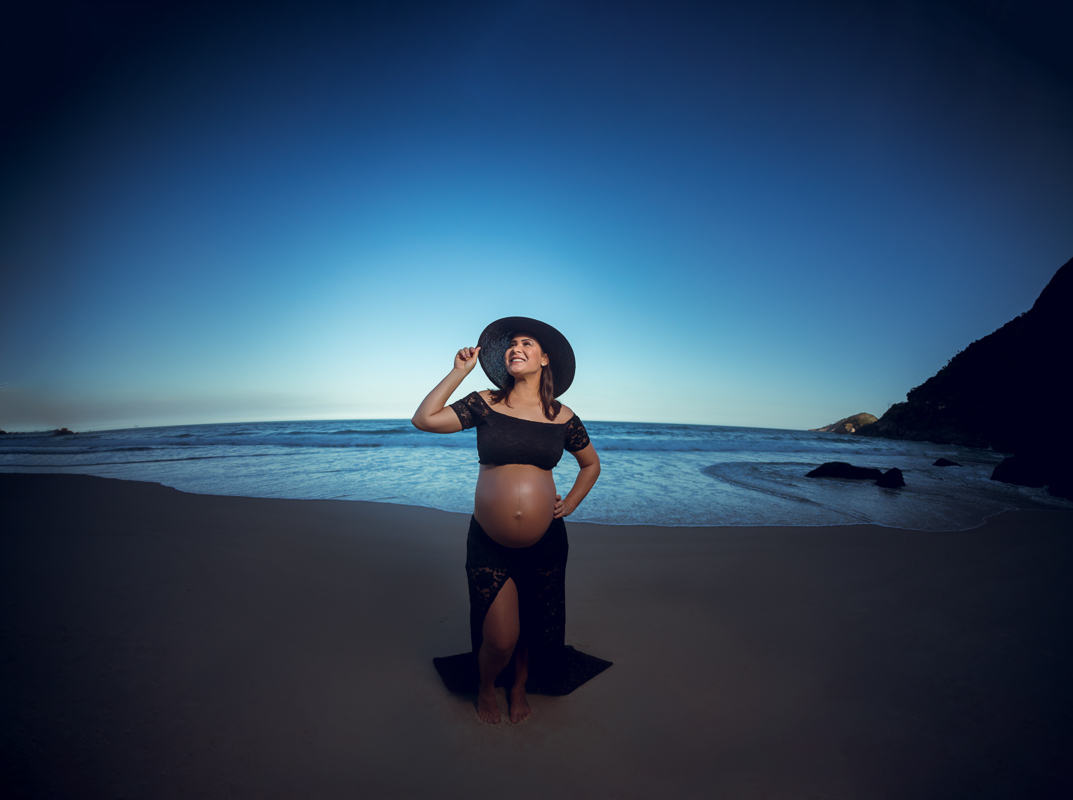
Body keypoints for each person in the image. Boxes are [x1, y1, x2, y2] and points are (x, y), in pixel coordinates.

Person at [412, 317, 611, 724]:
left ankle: (518, 686)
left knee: (532, 628)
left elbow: (591, 465)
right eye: (511, 345)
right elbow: (425, 419)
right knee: (500, 638)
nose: (515, 348)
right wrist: (458, 372)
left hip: (547, 544)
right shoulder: (485, 401)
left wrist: (570, 503)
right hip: (490, 542)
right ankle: (487, 686)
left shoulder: (562, 416)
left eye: (526, 343)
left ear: (544, 359)